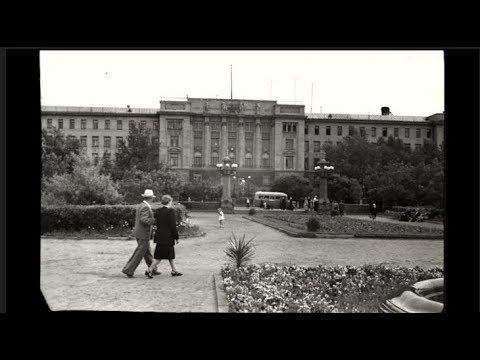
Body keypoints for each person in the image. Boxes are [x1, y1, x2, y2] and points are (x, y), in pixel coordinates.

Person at [122, 189, 161, 278]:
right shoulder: (145, 207)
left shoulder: (141, 205)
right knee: (139, 252)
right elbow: (144, 220)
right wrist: (155, 221)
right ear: (151, 198)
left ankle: (153, 268)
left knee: (146, 252)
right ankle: (128, 270)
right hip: (143, 233)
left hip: (140, 232)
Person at [147, 195, 182, 278]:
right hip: (168, 236)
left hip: (159, 236)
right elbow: (172, 225)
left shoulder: (158, 211)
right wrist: (176, 237)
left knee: (170, 255)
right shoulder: (170, 211)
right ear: (169, 202)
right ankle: (150, 269)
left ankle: (174, 270)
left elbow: (156, 222)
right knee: (159, 256)